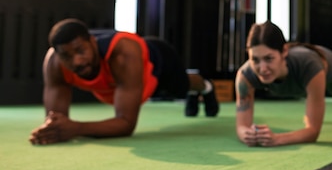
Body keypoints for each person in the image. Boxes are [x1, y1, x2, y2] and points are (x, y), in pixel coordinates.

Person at [29, 18, 219, 145]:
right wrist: (53, 129)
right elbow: (56, 119)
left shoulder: (122, 54)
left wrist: (75, 128)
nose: (76, 61)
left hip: (158, 62)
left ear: (93, 42)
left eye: (80, 51)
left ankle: (205, 86)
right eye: (67, 56)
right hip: (125, 83)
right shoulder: (54, 63)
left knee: (180, 88)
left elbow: (126, 124)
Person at [235, 21, 332, 147]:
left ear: (284, 51)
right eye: (255, 60)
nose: (262, 68)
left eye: (269, 58)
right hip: (303, 81)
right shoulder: (245, 76)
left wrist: (276, 139)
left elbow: (312, 132)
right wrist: (249, 135)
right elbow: (242, 126)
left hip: (327, 68)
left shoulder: (309, 65)